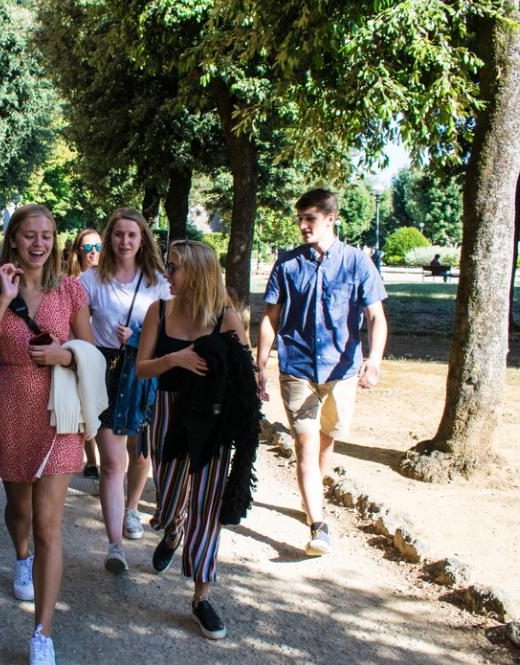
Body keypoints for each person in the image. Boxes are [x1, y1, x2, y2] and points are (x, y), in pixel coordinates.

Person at [0, 204, 96, 665]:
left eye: (47, 235)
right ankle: (21, 558)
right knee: (18, 511)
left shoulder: (72, 290)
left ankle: (42, 632)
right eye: (29, 235)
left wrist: (66, 356)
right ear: (13, 240)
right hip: (11, 404)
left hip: (59, 410)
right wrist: (4, 297)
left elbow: (90, 351)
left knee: (48, 526)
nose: (39, 243)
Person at [256, 189, 388, 556]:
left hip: (341, 372)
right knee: (305, 445)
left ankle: (311, 493)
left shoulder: (357, 264)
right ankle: (319, 525)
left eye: (310, 219)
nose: (302, 226)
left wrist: (373, 359)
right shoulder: (287, 264)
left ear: (331, 218)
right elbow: (271, 317)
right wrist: (261, 363)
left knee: (325, 442)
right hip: (296, 367)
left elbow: (376, 317)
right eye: (300, 218)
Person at [135, 239, 254, 641]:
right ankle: (172, 528)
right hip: (168, 413)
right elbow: (141, 370)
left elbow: (245, 371)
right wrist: (175, 359)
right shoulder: (160, 310)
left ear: (198, 272)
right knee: (167, 497)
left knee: (208, 504)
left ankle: (202, 596)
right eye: (167, 266)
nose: (166, 274)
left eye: (174, 268)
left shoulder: (225, 316)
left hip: (212, 419)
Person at [78, 208, 171, 572]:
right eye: (118, 235)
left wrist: (140, 337)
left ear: (142, 239)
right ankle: (115, 544)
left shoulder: (158, 282)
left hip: (146, 373)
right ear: (109, 238)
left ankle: (132, 507)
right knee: (113, 463)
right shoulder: (90, 280)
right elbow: (76, 326)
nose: (125, 241)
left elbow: (172, 330)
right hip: (106, 371)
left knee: (141, 454)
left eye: (132, 235)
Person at [65, 228, 104, 479]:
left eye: (98, 247)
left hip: (103, 350)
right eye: (87, 247)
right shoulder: (69, 282)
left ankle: (100, 458)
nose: (93, 252)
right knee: (82, 402)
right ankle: (91, 460)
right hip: (75, 348)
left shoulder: (107, 280)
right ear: (78, 250)